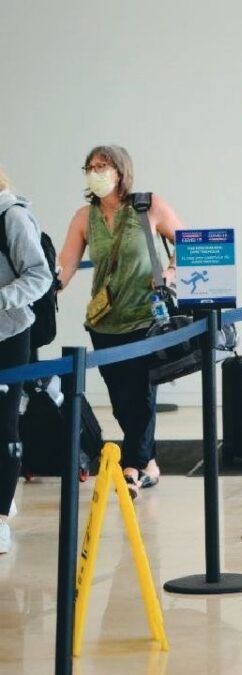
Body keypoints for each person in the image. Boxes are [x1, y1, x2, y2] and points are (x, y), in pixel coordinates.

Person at [58, 145, 182, 500]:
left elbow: (188, 242)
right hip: (104, 321)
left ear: (121, 171)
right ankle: (151, 463)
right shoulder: (85, 217)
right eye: (90, 167)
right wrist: (52, 289)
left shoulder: (147, 206)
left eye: (103, 166)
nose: (96, 172)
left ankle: (133, 467)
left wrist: (171, 274)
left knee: (141, 396)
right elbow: (66, 265)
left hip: (146, 318)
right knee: (122, 400)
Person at [0, 166, 53, 553]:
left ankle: (0, 516)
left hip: (8, 333)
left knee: (3, 427)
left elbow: (39, 275)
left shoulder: (12, 216)